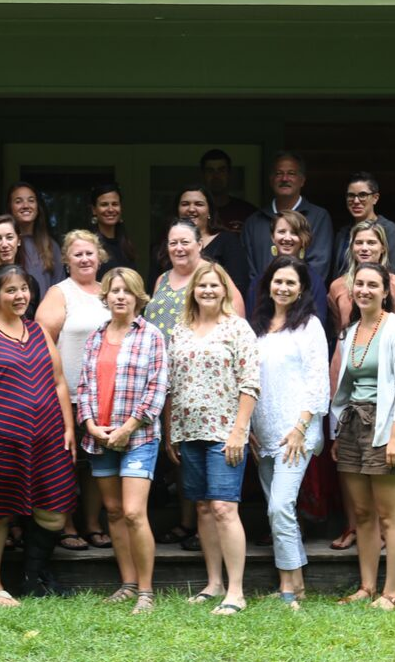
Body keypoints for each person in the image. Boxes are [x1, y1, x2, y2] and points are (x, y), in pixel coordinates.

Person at [0, 265, 78, 606]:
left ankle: (33, 577)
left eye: (23, 289)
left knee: (53, 509)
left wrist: (67, 427)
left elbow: (59, 381)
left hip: (47, 441)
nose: (20, 296)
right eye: (11, 290)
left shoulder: (38, 331)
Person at [166, 261, 260, 616]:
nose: (207, 291)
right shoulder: (180, 330)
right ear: (192, 291)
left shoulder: (238, 329)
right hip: (189, 431)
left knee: (224, 507)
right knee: (203, 507)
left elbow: (250, 383)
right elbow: (172, 386)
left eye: (213, 286)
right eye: (201, 286)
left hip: (225, 432)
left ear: (224, 291)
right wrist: (170, 431)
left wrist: (239, 430)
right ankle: (213, 583)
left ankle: (236, 591)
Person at [144, 219, 242, 550]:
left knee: (199, 453)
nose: (179, 248)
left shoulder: (213, 275)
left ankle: (204, 529)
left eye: (186, 241)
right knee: (178, 455)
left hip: (210, 385)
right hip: (170, 379)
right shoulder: (161, 279)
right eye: (173, 243)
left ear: (200, 244)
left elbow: (236, 318)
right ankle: (187, 522)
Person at [76, 267, 168, 614]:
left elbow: (157, 390)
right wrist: (89, 424)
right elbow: (83, 386)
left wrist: (128, 427)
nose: (119, 296)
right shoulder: (96, 337)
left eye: (126, 291)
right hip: (100, 437)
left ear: (137, 297)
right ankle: (127, 584)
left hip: (139, 436)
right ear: (106, 296)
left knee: (133, 512)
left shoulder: (152, 336)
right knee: (113, 512)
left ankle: (146, 591)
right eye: (114, 290)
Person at [330, 262, 395, 611]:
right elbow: (347, 385)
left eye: (372, 285)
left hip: (387, 427)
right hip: (353, 425)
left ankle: (392, 593)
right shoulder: (349, 332)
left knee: (389, 516)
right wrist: (339, 432)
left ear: (386, 291)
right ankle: (367, 586)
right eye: (359, 284)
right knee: (363, 514)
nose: (364, 290)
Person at [248, 256, 329, 610]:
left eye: (290, 283)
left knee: (280, 506)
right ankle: (296, 586)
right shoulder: (259, 326)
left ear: (301, 290)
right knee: (279, 509)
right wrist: (248, 428)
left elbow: (318, 381)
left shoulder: (309, 326)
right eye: (277, 281)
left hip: (296, 431)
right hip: (263, 433)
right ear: (268, 284)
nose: (283, 287)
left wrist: (300, 427)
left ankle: (286, 586)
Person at [36, 231, 113, 551]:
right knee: (66, 461)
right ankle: (67, 524)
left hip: (105, 395)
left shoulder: (110, 291)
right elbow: (42, 343)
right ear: (66, 260)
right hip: (65, 394)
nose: (84, 259)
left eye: (90, 253)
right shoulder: (59, 293)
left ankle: (92, 524)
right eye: (77, 254)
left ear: (100, 257)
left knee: (97, 462)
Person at [243, 151, 334, 295]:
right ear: (271, 179)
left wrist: (290, 294)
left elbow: (319, 267)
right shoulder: (254, 222)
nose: (284, 178)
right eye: (279, 173)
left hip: (303, 302)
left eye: (291, 173)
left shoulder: (318, 217)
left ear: (302, 180)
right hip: (261, 303)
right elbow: (249, 270)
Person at [161, 184, 249, 297]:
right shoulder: (166, 245)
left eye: (199, 204)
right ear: (177, 210)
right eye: (185, 204)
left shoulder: (227, 241)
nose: (191, 209)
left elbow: (239, 287)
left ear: (209, 211)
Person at [245, 210, 328, 327]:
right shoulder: (259, 281)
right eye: (281, 232)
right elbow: (250, 324)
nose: (287, 238)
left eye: (294, 233)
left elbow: (319, 326)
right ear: (273, 237)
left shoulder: (314, 282)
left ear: (304, 239)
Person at [333, 172, 395, 282]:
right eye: (351, 195)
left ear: (375, 198)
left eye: (363, 195)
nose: (356, 201)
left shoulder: (388, 229)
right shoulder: (343, 233)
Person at [8, 182, 66, 300]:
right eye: (18, 201)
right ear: (10, 207)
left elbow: (61, 289)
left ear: (37, 207)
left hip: (44, 316)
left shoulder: (51, 246)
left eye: (31, 200)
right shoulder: (5, 245)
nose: (25, 205)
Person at [199, 148, 258, 233]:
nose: (216, 176)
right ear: (203, 175)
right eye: (210, 171)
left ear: (229, 174)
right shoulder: (194, 212)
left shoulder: (247, 212)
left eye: (221, 170)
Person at [89, 183, 137, 277]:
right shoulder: (89, 244)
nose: (110, 209)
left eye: (115, 204)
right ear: (94, 210)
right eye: (104, 204)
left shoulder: (126, 245)